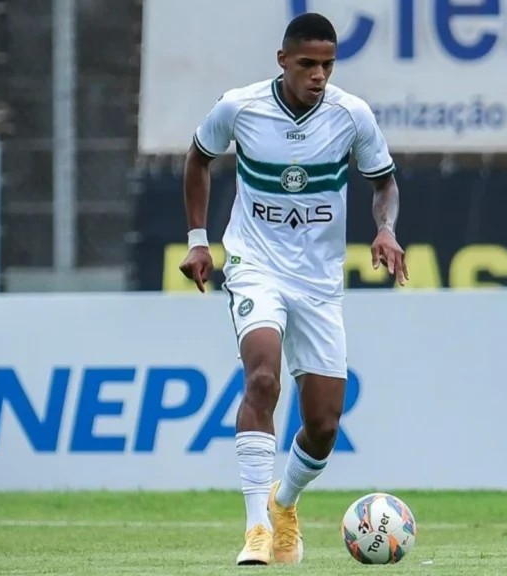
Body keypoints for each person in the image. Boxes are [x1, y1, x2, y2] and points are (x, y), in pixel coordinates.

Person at [177, 11, 408, 567]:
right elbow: (199, 160)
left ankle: (284, 505)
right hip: (256, 265)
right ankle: (257, 526)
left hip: (320, 284)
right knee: (262, 378)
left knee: (324, 424)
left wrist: (385, 228)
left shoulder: (352, 116)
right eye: (307, 64)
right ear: (283, 61)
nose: (319, 75)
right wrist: (198, 239)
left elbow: (384, 184)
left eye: (327, 64)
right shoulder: (241, 106)